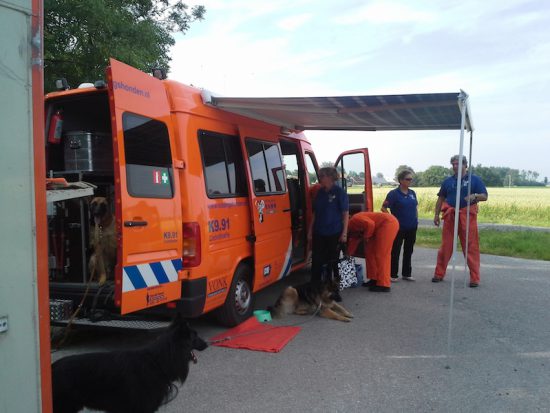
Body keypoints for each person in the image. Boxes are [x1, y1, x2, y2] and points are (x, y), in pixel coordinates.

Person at [433, 155, 488, 287]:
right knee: (446, 246)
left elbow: (484, 196)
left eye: (458, 164)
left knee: (471, 247)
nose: (456, 167)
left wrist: (474, 196)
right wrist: (436, 215)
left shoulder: (474, 180)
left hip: (467, 216)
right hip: (450, 216)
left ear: (465, 165)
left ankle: (474, 278)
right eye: (454, 164)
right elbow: (441, 199)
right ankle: (439, 274)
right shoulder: (448, 181)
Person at [308, 166, 349, 299]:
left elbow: (345, 214)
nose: (320, 178)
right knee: (317, 262)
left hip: (334, 232)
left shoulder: (340, 192)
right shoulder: (320, 192)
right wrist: (310, 230)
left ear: (330, 177)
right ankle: (314, 290)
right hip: (319, 232)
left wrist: (344, 233)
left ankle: (335, 291)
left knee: (334, 262)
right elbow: (315, 213)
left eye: (322, 176)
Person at [347, 212, 399, 292]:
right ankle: (374, 278)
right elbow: (354, 240)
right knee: (369, 253)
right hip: (376, 228)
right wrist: (348, 255)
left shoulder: (354, 220)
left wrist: (366, 236)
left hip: (388, 223)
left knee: (382, 255)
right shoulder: (350, 229)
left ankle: (384, 284)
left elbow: (370, 224)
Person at [381, 169, 418, 282]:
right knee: (396, 251)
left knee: (409, 250)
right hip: (398, 227)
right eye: (408, 179)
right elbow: (383, 208)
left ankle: (406, 273)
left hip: (412, 226)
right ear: (401, 180)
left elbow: (415, 207)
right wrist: (392, 220)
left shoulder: (412, 193)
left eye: (411, 179)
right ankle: (393, 274)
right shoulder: (393, 194)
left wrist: (416, 219)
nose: (410, 181)